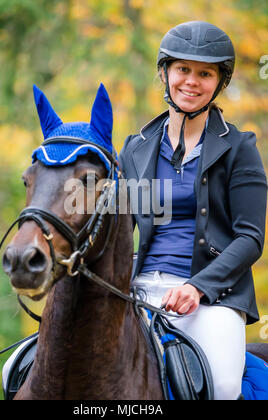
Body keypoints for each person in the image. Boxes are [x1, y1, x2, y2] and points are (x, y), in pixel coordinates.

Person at [118, 21, 267, 400]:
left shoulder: (239, 148)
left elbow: (250, 238)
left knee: (224, 385)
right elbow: (118, 228)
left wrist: (198, 286)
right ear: (166, 73)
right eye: (183, 69)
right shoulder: (135, 148)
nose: (191, 81)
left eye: (205, 73)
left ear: (220, 81)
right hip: (138, 290)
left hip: (212, 296)